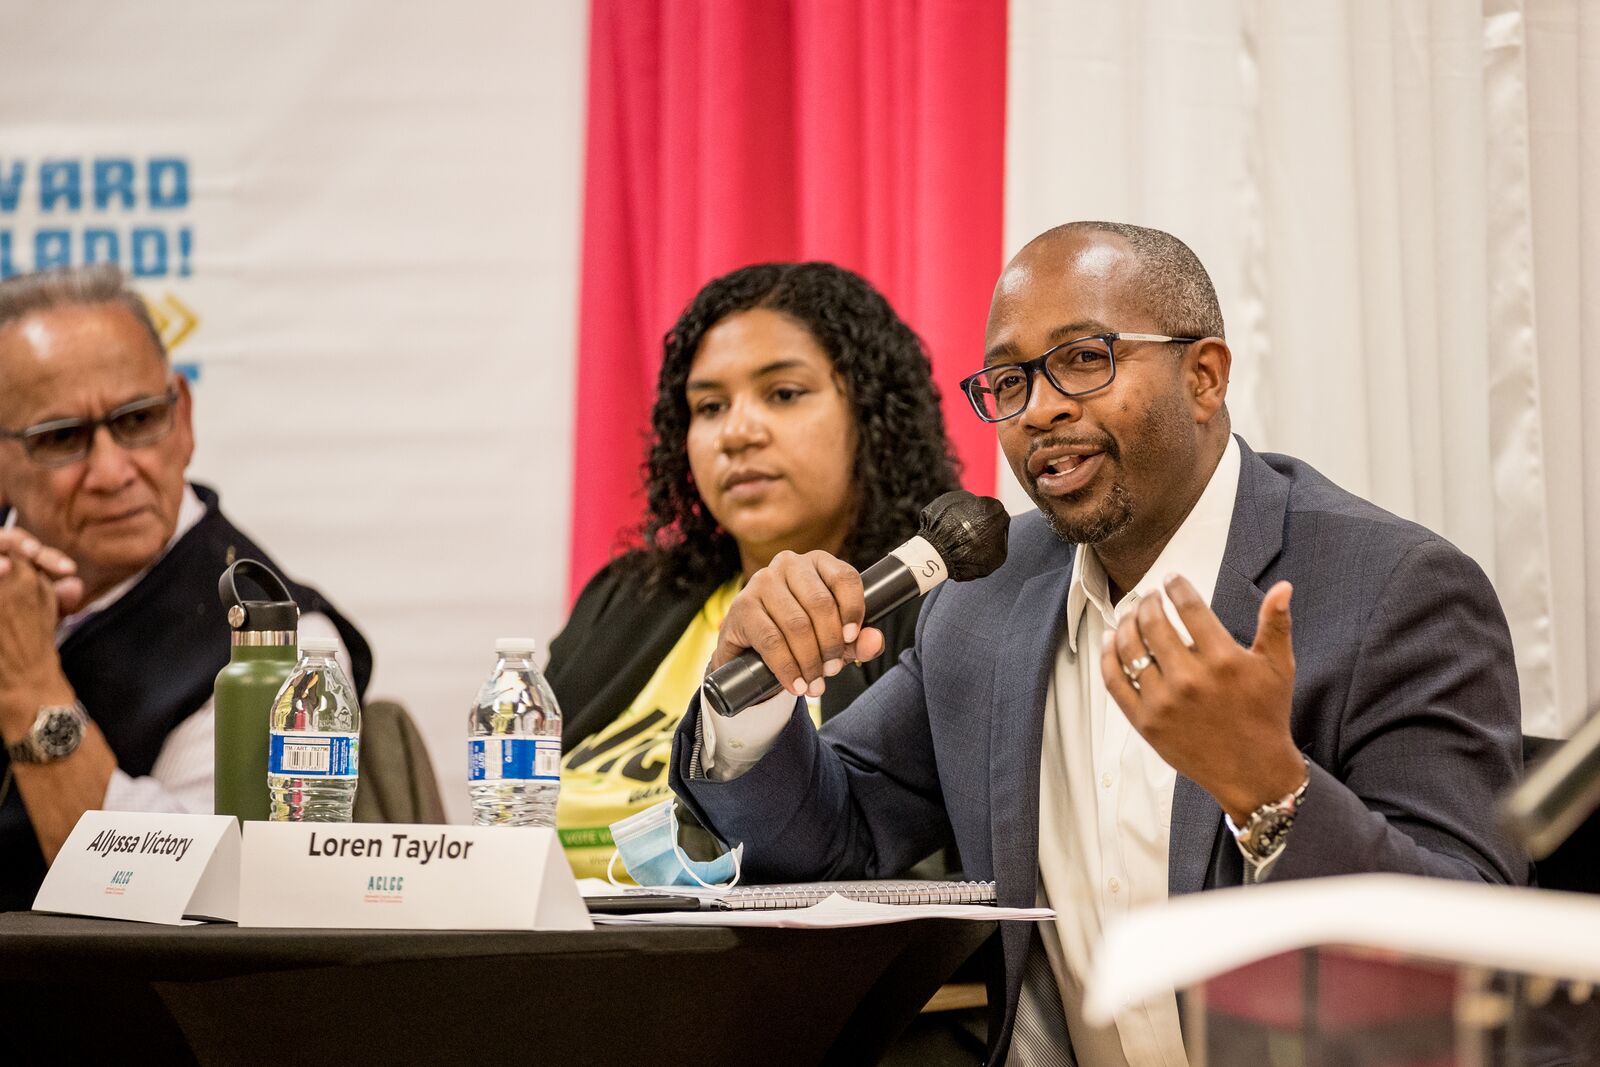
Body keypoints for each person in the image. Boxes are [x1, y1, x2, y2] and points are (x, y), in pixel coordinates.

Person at [670, 223, 1525, 1065]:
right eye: (1008, 381)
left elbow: (1478, 959)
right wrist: (754, 695)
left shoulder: (1391, 588)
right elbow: (837, 836)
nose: (1040, 409)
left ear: (1205, 375)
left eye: (1085, 359)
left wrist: (1268, 790)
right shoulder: (986, 600)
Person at [546, 261, 961, 879]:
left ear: (871, 416)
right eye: (710, 406)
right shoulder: (627, 597)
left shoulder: (930, 603)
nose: (736, 433)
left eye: (784, 394)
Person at [0, 264, 371, 912]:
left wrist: (30, 686)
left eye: (139, 420)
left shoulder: (282, 650)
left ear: (184, 417)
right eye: (62, 438)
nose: (114, 471)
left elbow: (200, 888)